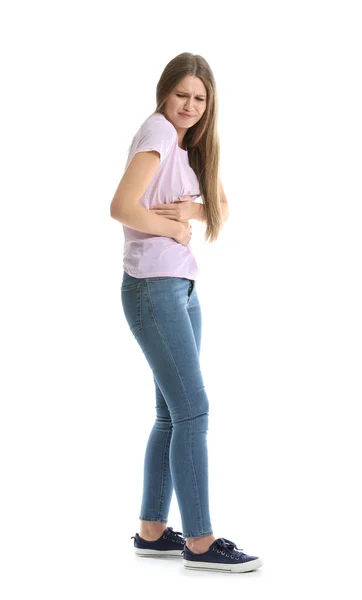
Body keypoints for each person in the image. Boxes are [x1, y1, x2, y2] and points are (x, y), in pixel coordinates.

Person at [110, 52, 262, 573]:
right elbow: (121, 206)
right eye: (183, 95)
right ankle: (200, 541)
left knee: (171, 414)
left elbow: (217, 203)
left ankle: (153, 530)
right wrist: (174, 228)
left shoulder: (181, 143)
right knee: (192, 412)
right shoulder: (156, 134)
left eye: (200, 99)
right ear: (164, 92)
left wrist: (192, 211)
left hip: (178, 288)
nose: (190, 106)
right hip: (155, 288)